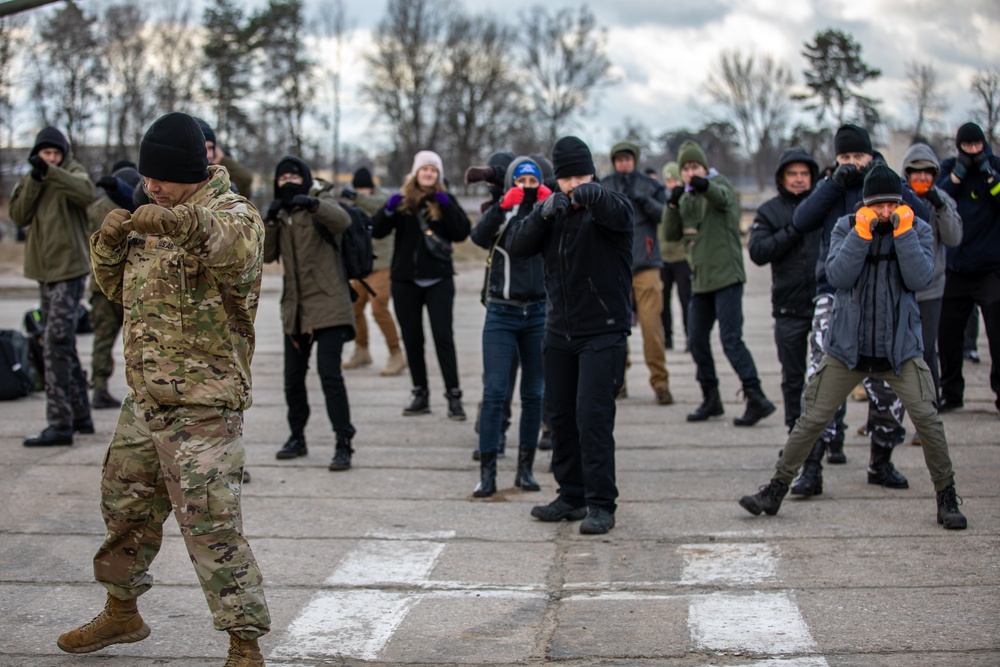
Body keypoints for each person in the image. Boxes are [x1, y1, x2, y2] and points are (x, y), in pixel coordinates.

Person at [61, 112, 270, 666]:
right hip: (145, 399)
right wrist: (107, 244)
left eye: (164, 178)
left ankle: (244, 645)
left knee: (211, 526)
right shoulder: (148, 213)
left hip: (204, 405)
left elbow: (234, 252)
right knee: (123, 508)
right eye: (148, 177)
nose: (151, 186)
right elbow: (119, 292)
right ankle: (122, 614)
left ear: (194, 171)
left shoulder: (234, 214)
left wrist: (178, 224)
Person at [739, 164, 968, 531]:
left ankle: (946, 496)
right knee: (811, 417)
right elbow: (839, 277)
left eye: (892, 204)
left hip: (899, 351)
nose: (885, 213)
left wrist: (904, 234)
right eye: (877, 206)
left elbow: (920, 278)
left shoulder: (918, 230)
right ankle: (776, 488)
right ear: (865, 206)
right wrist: (862, 236)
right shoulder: (846, 227)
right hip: (848, 349)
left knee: (928, 420)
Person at [790, 124, 932, 495]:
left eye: (859, 157)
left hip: (886, 295)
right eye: (845, 157)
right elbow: (801, 220)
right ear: (836, 158)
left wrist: (881, 180)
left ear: (870, 155)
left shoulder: (887, 185)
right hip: (834, 292)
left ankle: (881, 460)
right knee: (821, 377)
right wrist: (834, 182)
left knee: (887, 382)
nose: (852, 163)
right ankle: (814, 463)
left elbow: (921, 217)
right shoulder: (829, 185)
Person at [506, 136, 633, 535]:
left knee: (592, 418)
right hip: (559, 330)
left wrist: (594, 194)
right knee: (560, 417)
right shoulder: (553, 212)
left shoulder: (607, 207)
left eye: (582, 175)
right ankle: (571, 495)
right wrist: (541, 212)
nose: (574, 184)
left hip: (603, 332)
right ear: (556, 179)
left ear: (593, 173)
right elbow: (517, 245)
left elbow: (620, 214)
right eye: (567, 178)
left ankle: (601, 504)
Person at [663, 139, 776, 426]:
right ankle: (711, 398)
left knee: (730, 340)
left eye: (695, 166)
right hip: (701, 281)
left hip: (727, 277)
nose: (691, 172)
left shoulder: (719, 184)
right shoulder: (687, 199)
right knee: (697, 339)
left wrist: (705, 185)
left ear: (704, 167)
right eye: (686, 168)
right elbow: (672, 233)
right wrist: (672, 203)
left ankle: (756, 397)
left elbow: (723, 199)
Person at [265, 156, 358, 471]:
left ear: (304, 178)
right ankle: (297, 437)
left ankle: (343, 442)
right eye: (282, 177)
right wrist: (270, 220)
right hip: (295, 307)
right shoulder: (282, 212)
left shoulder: (320, 199)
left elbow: (342, 221)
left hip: (329, 302)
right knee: (292, 379)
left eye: (293, 175)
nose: (288, 181)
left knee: (329, 374)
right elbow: (267, 255)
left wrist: (311, 203)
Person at [469, 156, 550, 497]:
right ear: (511, 184)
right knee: (495, 392)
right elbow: (478, 237)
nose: (527, 188)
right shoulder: (502, 209)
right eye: (521, 181)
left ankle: (525, 470)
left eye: (533, 182)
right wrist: (502, 207)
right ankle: (487, 474)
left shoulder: (549, 212)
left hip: (538, 313)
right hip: (501, 313)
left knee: (534, 394)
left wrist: (552, 205)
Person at [9, 126, 94, 446]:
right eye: (46, 154)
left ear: (64, 154)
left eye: (56, 154)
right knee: (62, 342)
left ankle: (60, 422)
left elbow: (85, 193)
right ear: (37, 153)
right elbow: (18, 215)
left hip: (69, 270)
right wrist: (35, 177)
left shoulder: (72, 172)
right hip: (43, 272)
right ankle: (80, 414)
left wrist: (54, 172)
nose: (51, 159)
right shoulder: (32, 178)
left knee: (54, 342)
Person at [371, 150, 471, 419]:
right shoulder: (403, 202)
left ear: (438, 174)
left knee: (443, 338)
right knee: (413, 340)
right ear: (416, 173)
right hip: (405, 280)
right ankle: (420, 394)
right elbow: (377, 230)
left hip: (438, 279)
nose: (428, 173)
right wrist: (389, 208)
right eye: (424, 169)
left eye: (433, 170)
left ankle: (454, 396)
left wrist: (446, 204)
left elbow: (461, 233)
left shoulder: (444, 200)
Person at [748, 147, 821, 431]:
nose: (799, 179)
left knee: (829, 379)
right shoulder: (769, 211)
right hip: (788, 307)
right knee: (793, 378)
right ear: (782, 178)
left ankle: (833, 437)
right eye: (793, 174)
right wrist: (794, 229)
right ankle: (795, 434)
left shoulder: (825, 207)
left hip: (824, 304)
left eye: (804, 173)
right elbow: (758, 251)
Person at [601, 141, 672, 405]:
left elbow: (666, 216)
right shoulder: (605, 185)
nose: (624, 164)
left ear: (635, 160)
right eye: (619, 160)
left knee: (652, 327)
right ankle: (618, 381)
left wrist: (646, 202)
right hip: (614, 266)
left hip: (647, 263)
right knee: (616, 329)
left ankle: (660, 382)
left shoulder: (650, 186)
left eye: (628, 159)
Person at [935, 122, 1000, 414]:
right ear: (959, 146)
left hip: (990, 269)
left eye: (976, 146)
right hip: (956, 268)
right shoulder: (949, 168)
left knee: (997, 336)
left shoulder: (995, 167)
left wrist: (989, 176)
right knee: (948, 335)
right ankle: (951, 392)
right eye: (967, 147)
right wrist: (958, 175)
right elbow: (938, 200)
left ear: (983, 144)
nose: (973, 151)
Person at [901, 143, 963, 410]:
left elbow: (953, 238)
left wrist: (940, 208)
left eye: (927, 172)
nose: (922, 178)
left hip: (931, 289)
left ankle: (929, 411)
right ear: (906, 174)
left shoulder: (945, 200)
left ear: (935, 174)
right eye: (916, 173)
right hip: (901, 287)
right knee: (893, 353)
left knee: (926, 351)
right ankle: (886, 419)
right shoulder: (898, 199)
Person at [340, 167, 406, 376]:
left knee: (379, 309)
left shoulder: (383, 199)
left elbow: (377, 207)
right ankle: (361, 350)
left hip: (384, 265)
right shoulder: (357, 206)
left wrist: (357, 197)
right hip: (363, 268)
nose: (361, 192)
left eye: (363, 188)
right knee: (355, 307)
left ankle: (396, 353)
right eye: (358, 189)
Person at [87, 160, 142, 409]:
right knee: (139, 342)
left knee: (103, 339)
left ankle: (99, 385)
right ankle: (142, 392)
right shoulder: (138, 209)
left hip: (101, 285)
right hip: (132, 285)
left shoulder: (96, 210)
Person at [659, 162, 691, 351]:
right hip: (663, 257)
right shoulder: (661, 200)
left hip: (682, 257)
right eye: (669, 181)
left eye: (675, 180)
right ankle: (668, 337)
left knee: (686, 300)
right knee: (663, 302)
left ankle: (690, 337)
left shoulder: (686, 199)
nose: (672, 184)